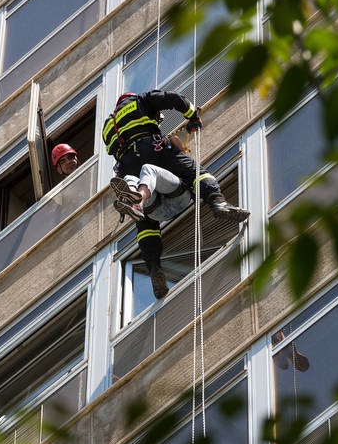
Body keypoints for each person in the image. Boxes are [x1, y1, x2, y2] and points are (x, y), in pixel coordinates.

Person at [102, 90, 250, 223]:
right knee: (197, 173)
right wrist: (192, 115)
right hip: (152, 149)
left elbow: (112, 150)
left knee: (141, 210)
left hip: (128, 164)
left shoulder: (108, 125)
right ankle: (218, 202)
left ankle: (136, 206)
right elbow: (173, 98)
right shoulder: (140, 100)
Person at [110, 156, 195, 299]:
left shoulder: (140, 165)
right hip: (170, 202)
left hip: (170, 201)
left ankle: (136, 202)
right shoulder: (150, 158)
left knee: (145, 170)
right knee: (134, 176)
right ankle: (134, 202)